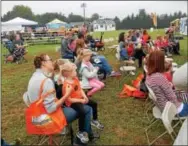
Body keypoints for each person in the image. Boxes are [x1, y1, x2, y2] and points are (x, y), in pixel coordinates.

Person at [23, 54, 96, 144]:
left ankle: (87, 135)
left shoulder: (34, 77)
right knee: (87, 109)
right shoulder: (46, 81)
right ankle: (80, 140)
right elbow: (51, 109)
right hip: (47, 120)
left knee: (78, 107)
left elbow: (25, 96)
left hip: (36, 119)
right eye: (50, 59)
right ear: (43, 63)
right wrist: (66, 95)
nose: (52, 62)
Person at [61, 62, 104, 139]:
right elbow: (69, 99)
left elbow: (80, 89)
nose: (76, 72)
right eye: (74, 71)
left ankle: (94, 120)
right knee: (82, 112)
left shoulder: (75, 79)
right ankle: (81, 132)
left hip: (80, 98)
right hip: (72, 103)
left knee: (94, 104)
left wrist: (85, 96)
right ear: (68, 73)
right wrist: (81, 101)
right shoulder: (66, 85)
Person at [146, 50, 188, 117]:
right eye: (163, 59)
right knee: (183, 94)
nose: (165, 61)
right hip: (175, 110)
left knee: (183, 93)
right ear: (160, 62)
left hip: (164, 106)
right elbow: (172, 97)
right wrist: (180, 97)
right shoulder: (158, 77)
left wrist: (169, 86)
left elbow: (161, 90)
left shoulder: (149, 75)